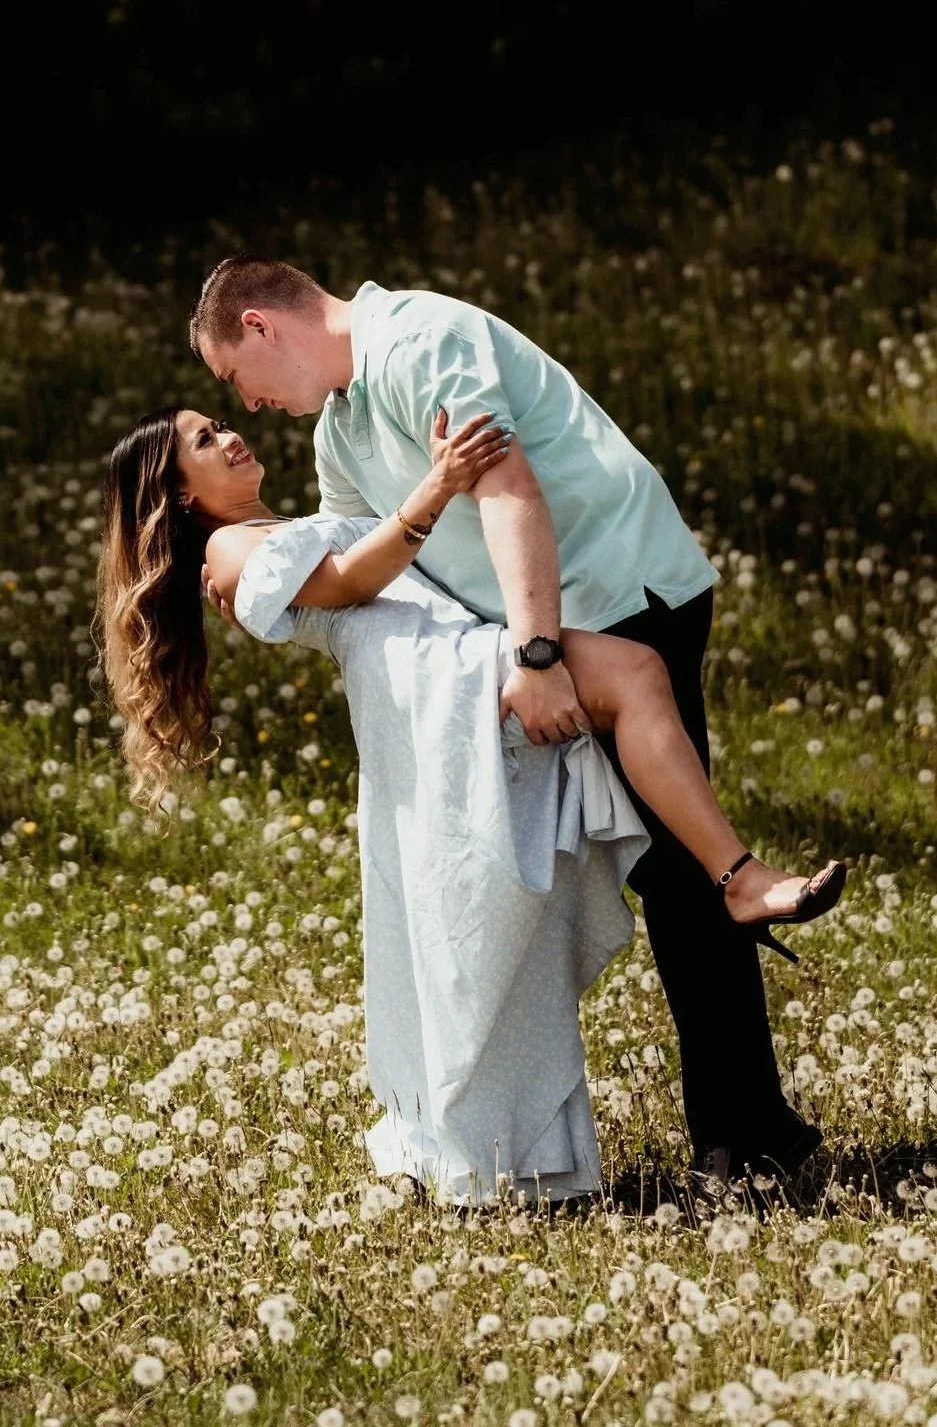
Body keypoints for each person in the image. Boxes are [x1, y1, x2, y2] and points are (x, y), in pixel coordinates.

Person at [190, 256, 842, 1184]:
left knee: (675, 870)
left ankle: (748, 1145)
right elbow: (369, 562)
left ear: (260, 325)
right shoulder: (341, 429)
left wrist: (535, 659)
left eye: (233, 378)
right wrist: (269, 576)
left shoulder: (422, 341)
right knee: (672, 866)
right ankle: (752, 1130)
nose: (246, 405)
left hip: (615, 593)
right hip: (544, 628)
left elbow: (508, 492)